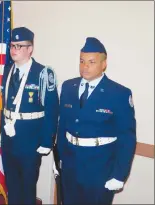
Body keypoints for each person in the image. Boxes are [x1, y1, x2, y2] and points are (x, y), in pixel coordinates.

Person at [57, 37, 136, 204]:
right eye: (82, 61)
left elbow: (127, 137)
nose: (85, 66)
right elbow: (62, 125)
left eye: (91, 62)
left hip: (100, 168)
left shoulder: (119, 93)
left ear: (104, 64)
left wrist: (119, 174)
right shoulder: (68, 87)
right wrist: (59, 159)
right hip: (70, 165)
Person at [0, 27, 59, 204]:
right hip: (8, 139)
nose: (14, 49)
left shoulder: (43, 73)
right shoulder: (5, 71)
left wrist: (46, 140)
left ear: (30, 49)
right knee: (12, 185)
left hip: (31, 140)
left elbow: (52, 110)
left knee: (28, 186)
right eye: (12, 45)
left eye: (19, 46)